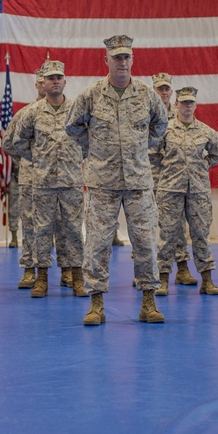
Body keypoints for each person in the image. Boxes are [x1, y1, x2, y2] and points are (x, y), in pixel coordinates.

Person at [65, 35, 168, 326]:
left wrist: (138, 148)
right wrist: (95, 148)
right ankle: (96, 303)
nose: (122, 62)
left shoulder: (147, 95)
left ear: (132, 60)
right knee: (97, 243)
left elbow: (160, 125)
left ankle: (149, 300)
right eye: (117, 57)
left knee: (146, 242)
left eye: (127, 57)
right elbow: (72, 127)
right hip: (102, 182)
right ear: (106, 60)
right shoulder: (91, 95)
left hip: (138, 182)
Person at [4, 60, 87, 298]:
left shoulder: (76, 110)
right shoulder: (31, 112)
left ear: (64, 81)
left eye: (58, 77)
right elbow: (17, 142)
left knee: (72, 230)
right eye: (50, 78)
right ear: (43, 82)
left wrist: (75, 159)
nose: (54, 82)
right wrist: (39, 159)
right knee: (41, 231)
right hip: (42, 183)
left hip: (71, 182)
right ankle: (41, 279)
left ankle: (77, 276)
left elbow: (88, 140)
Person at [151, 86, 218, 296]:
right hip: (170, 189)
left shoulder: (206, 131)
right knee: (167, 235)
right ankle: (163, 279)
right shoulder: (165, 129)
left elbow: (217, 154)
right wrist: (169, 168)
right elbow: (153, 153)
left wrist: (200, 167)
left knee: (201, 234)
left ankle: (207, 279)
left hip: (198, 190)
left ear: (196, 105)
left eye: (191, 102)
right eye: (183, 103)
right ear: (176, 105)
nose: (187, 106)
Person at [5, 66, 47, 287]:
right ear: (37, 85)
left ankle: (67, 269)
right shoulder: (25, 114)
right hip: (30, 178)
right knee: (30, 223)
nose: (44, 85)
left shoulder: (66, 111)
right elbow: (8, 143)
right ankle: (30, 268)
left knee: (61, 224)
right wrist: (29, 159)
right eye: (40, 81)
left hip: (57, 179)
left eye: (47, 80)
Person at [152, 72, 192, 282]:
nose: (164, 92)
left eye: (167, 89)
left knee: (177, 223)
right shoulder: (146, 112)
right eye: (160, 89)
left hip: (174, 178)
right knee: (149, 224)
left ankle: (182, 267)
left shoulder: (176, 116)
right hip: (150, 176)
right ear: (154, 90)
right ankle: (148, 269)